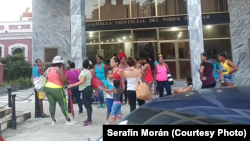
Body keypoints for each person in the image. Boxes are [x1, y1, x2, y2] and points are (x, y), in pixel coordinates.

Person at [44, 56, 76, 125]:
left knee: (52, 105)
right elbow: (63, 80)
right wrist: (68, 82)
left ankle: (53, 120)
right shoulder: (59, 70)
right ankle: (68, 120)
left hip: (48, 88)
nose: (62, 64)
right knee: (63, 104)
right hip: (57, 89)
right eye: (61, 63)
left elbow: (46, 77)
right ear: (59, 63)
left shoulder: (49, 69)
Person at [68, 60, 93, 126]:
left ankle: (89, 120)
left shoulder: (84, 72)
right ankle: (89, 119)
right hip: (89, 88)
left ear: (82, 65)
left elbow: (81, 81)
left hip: (85, 89)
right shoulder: (89, 71)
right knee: (88, 105)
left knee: (87, 105)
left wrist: (72, 85)